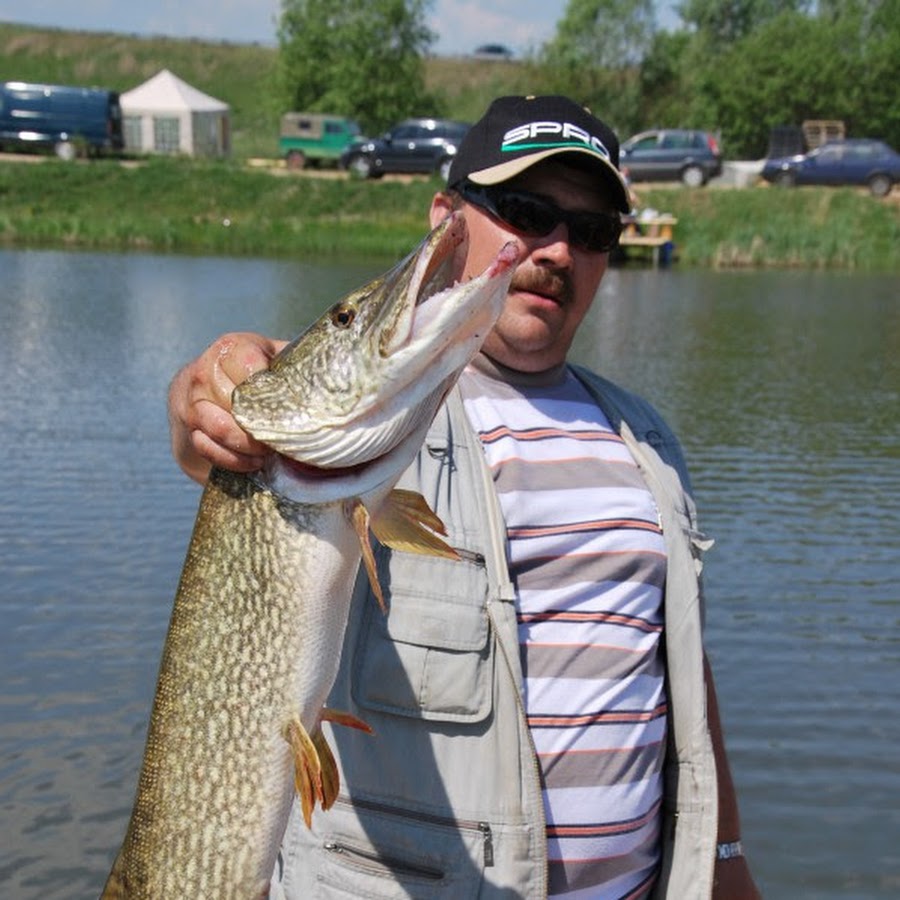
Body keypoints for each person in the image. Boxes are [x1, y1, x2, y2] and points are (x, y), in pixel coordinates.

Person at [167, 95, 760, 899]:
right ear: (448, 218)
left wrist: (724, 857)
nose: (556, 250)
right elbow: (232, 412)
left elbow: (679, 665)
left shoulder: (646, 441)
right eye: (525, 211)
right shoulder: (394, 422)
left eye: (590, 233)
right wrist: (209, 394)